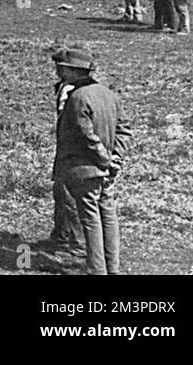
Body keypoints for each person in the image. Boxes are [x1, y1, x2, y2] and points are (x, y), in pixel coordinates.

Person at [51, 48, 132, 275]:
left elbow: (84, 135)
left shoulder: (77, 97)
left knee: (90, 219)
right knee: (108, 215)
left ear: (72, 71)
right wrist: (116, 158)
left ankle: (96, 269)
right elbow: (124, 130)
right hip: (107, 169)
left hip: (84, 167)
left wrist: (105, 160)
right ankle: (111, 268)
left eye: (61, 69)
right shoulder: (109, 94)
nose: (58, 72)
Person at [44, 63, 84, 258]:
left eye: (61, 67)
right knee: (60, 193)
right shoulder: (64, 87)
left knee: (69, 196)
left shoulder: (73, 91)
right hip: (65, 148)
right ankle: (61, 236)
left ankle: (73, 245)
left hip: (73, 151)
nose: (57, 70)